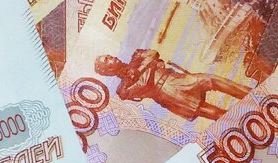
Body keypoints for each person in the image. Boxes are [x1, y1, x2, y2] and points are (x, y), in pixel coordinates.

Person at [95, 49, 252, 121]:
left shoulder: (135, 57)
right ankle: (248, 122)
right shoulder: (122, 90)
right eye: (107, 60)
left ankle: (252, 95)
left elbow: (153, 53)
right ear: (107, 72)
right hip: (169, 96)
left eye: (108, 56)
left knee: (210, 79)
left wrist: (141, 69)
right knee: (210, 111)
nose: (111, 58)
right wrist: (151, 66)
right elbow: (144, 86)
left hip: (175, 79)